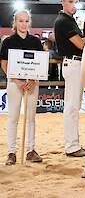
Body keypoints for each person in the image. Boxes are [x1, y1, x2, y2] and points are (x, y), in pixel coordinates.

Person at [0, 10, 43, 165]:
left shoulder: (36, 42)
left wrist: (33, 79)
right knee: (13, 118)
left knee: (31, 117)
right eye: (20, 21)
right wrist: (17, 80)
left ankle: (30, 150)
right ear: (15, 22)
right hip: (14, 83)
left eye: (26, 21)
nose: (23, 24)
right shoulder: (8, 42)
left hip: (32, 83)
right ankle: (12, 152)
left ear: (29, 22)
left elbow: (40, 64)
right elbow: (4, 63)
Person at [54, 0, 85, 157]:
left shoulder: (69, 20)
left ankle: (73, 145)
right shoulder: (64, 21)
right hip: (73, 63)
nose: (74, 5)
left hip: (75, 64)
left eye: (75, 2)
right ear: (62, 3)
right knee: (72, 107)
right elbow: (81, 44)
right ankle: (72, 146)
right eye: (70, 2)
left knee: (73, 106)